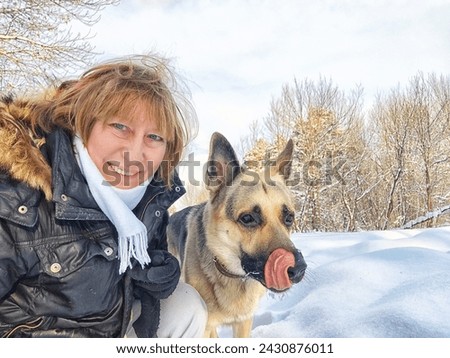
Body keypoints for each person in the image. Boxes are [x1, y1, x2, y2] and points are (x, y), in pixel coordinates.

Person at [0, 54, 207, 338]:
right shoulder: (17, 197)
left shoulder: (149, 199)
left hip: (109, 331)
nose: (134, 154)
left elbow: (140, 263)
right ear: (83, 122)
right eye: (120, 127)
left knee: (184, 304)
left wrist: (156, 275)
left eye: (154, 137)